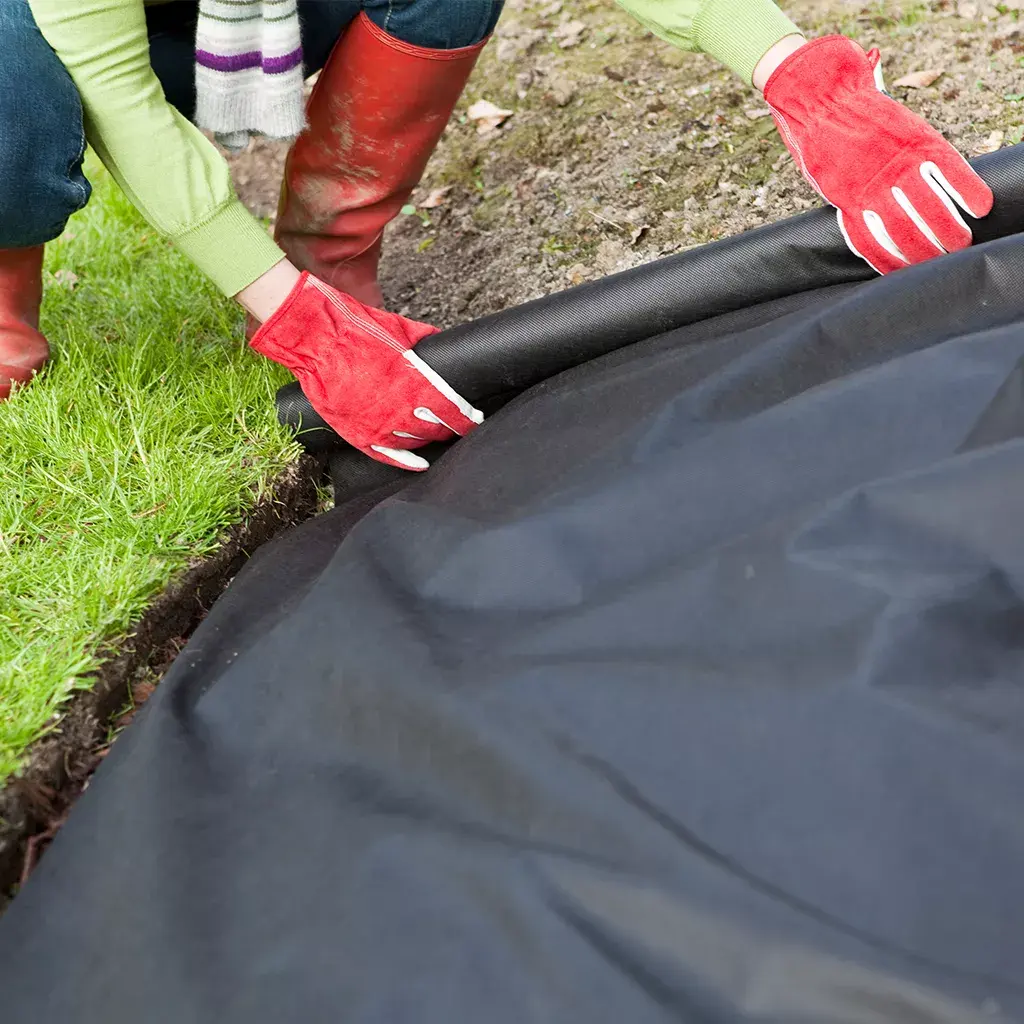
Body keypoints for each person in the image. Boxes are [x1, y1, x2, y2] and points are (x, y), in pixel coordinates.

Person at [0, 0, 993, 470]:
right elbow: (130, 112)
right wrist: (297, 330)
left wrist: (797, 75)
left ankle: (332, 251)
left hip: (238, 20)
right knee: (13, 94)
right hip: (60, 36)